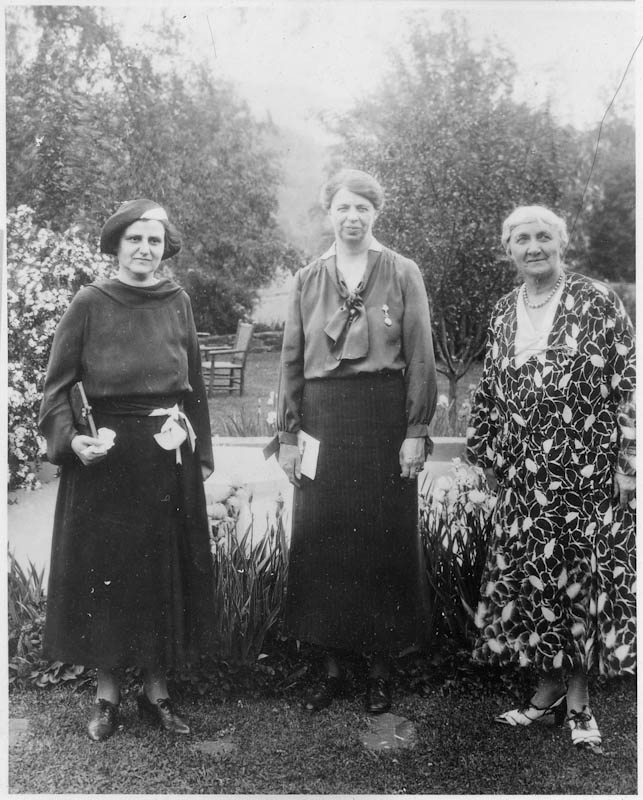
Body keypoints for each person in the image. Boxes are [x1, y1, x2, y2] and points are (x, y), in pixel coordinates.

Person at [39, 199, 216, 741]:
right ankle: (107, 696)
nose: (145, 249)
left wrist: (201, 452)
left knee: (161, 572)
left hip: (165, 453)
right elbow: (56, 387)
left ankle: (156, 692)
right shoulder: (90, 302)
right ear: (115, 246)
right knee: (106, 572)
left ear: (165, 250)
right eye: (135, 239)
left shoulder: (177, 301)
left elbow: (196, 387)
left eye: (154, 241)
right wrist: (72, 441)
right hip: (106, 455)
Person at [467, 205, 636, 753]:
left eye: (543, 236)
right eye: (522, 239)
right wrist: (488, 457)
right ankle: (544, 693)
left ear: (561, 244)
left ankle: (580, 705)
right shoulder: (500, 311)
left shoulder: (597, 300)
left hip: (586, 467)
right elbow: (490, 389)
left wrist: (626, 463)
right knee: (536, 580)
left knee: (580, 582)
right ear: (508, 249)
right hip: (525, 475)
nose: (533, 246)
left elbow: (628, 383)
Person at [276, 168, 438, 714]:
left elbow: (419, 353)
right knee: (323, 542)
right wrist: (289, 435)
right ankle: (332, 670)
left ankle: (380, 671)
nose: (353, 217)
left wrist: (416, 431)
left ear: (376, 213)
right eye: (343, 208)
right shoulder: (307, 278)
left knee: (381, 540)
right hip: (324, 418)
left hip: (382, 417)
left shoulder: (401, 271)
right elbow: (292, 360)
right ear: (330, 213)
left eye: (362, 208)